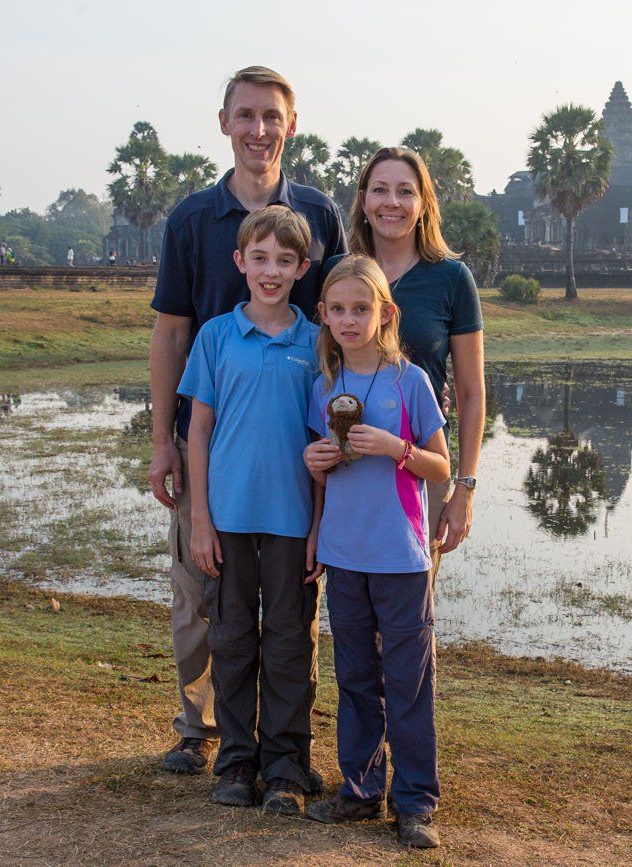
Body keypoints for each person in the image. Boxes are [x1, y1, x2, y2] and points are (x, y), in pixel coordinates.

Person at [148, 65, 347, 778]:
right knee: (202, 590)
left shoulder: (320, 217)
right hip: (211, 434)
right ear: (225, 122)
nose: (258, 130)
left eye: (271, 116)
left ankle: (289, 746)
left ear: (291, 125)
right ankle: (202, 730)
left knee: (294, 610)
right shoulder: (192, 219)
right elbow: (172, 332)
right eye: (245, 116)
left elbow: (337, 323)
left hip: (294, 449)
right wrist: (161, 442)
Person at [301, 255, 449, 848]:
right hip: (345, 553)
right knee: (356, 675)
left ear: (385, 313)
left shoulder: (408, 381)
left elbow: (441, 465)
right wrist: (316, 463)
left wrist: (396, 447)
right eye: (337, 309)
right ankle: (361, 791)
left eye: (361, 309)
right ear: (324, 316)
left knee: (407, 679)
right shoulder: (323, 387)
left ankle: (414, 802)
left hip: (401, 557)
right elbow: (322, 470)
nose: (349, 319)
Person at [177, 205, 321, 815]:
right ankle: (236, 762)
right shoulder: (215, 336)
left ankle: (286, 767)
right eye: (259, 258)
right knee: (233, 640)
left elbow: (325, 444)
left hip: (292, 522)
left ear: (302, 268)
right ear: (239, 262)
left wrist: (320, 526)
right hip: (227, 522)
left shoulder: (317, 343)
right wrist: (201, 522)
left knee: (289, 644)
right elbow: (200, 432)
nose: (271, 271)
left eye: (284, 261)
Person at [313, 147, 484, 583]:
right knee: (354, 614)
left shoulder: (450, 278)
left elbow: (470, 392)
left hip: (420, 470)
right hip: (349, 475)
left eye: (405, 191)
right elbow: (316, 363)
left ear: (424, 202)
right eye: (380, 190)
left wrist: (464, 488)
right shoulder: (339, 271)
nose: (392, 202)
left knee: (407, 618)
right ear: (363, 200)